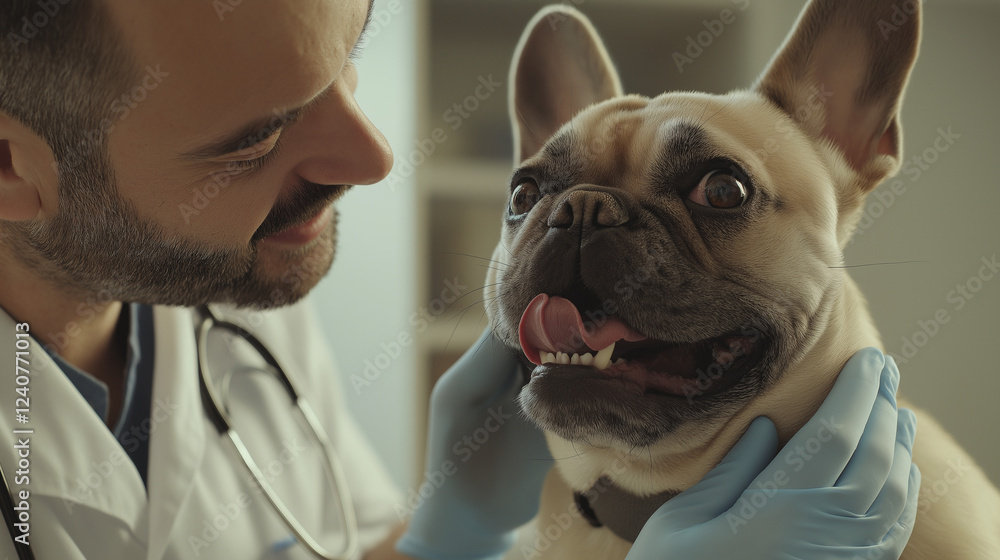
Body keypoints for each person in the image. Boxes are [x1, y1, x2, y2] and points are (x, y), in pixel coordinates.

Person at [0, 1, 918, 559]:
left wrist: (447, 539)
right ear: (11, 167)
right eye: (259, 133)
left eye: (346, 67)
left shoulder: (238, 305)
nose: (373, 156)